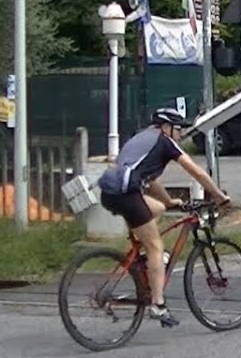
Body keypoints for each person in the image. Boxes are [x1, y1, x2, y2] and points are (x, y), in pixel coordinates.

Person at [98, 107, 231, 326]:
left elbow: (149, 180)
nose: (180, 135)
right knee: (156, 248)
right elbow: (196, 172)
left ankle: (143, 259)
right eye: (178, 129)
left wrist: (169, 202)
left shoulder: (142, 138)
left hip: (110, 193)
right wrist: (218, 196)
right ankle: (158, 306)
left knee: (158, 209)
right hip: (127, 195)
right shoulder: (164, 141)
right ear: (167, 127)